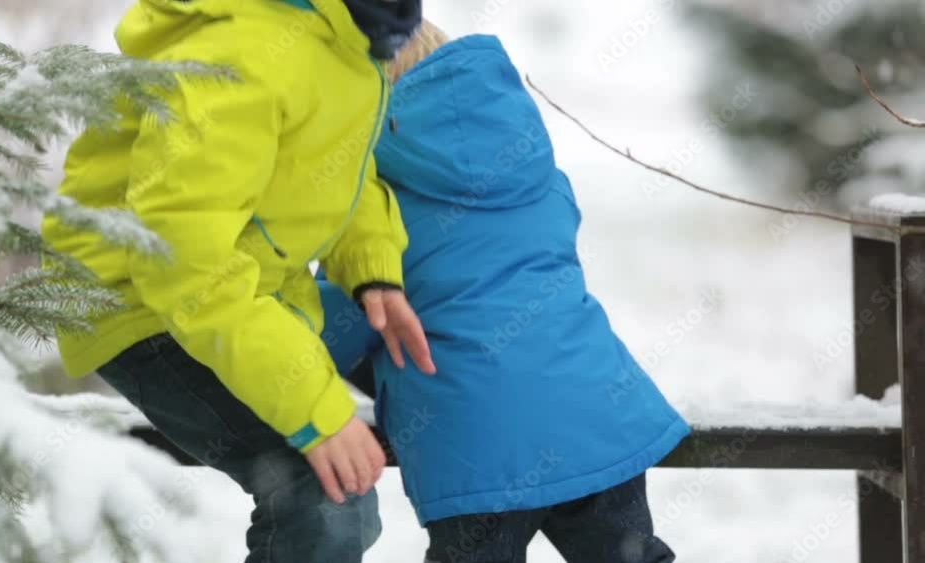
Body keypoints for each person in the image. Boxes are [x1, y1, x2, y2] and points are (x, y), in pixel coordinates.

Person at [42, 1, 436, 562]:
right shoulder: (245, 55)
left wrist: (374, 271)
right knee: (324, 499)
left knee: (340, 489)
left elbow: (343, 173)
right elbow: (181, 260)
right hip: (135, 300)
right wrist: (314, 412)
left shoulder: (348, 38)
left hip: (233, 292)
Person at [318, 21, 691, 563]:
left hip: (475, 444)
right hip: (594, 409)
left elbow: (343, 324)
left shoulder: (374, 198)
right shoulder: (536, 169)